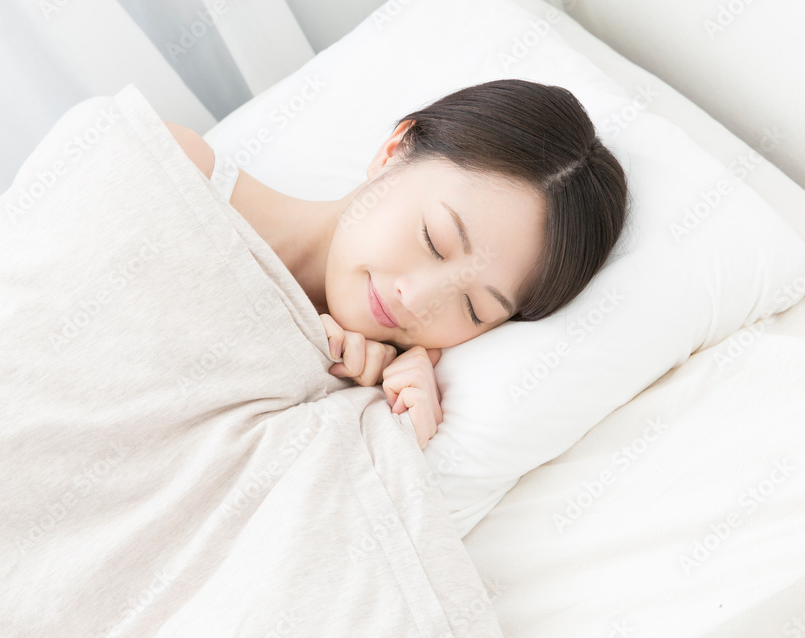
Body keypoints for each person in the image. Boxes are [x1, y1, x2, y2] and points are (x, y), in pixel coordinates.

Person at [166, 79, 628, 449]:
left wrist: (389, 432)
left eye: (473, 309)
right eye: (434, 241)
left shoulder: (367, 399)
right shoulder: (179, 171)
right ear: (394, 152)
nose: (420, 300)